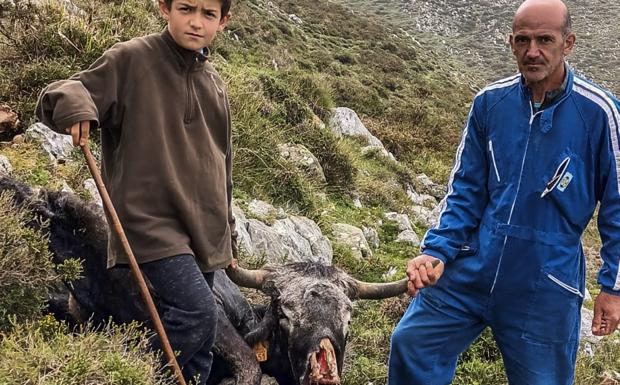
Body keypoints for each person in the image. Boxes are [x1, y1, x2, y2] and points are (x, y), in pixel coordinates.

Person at [388, 0, 620, 383]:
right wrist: (437, 250)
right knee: (414, 342)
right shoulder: (489, 103)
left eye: (545, 39)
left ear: (569, 43)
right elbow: (465, 189)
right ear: (511, 43)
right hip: (473, 262)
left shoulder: (601, 112)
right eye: (523, 40)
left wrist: (612, 287)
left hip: (546, 279)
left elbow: (616, 207)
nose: (533, 51)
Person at [36, 1, 235, 383]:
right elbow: (64, 91)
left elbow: (223, 162)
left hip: (204, 229)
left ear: (223, 21)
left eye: (208, 14)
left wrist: (226, 229)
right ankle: (119, 375)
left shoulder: (215, 84)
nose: (195, 22)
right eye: (186, 8)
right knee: (198, 315)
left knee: (202, 341)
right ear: (164, 8)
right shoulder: (133, 59)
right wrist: (76, 107)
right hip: (150, 223)